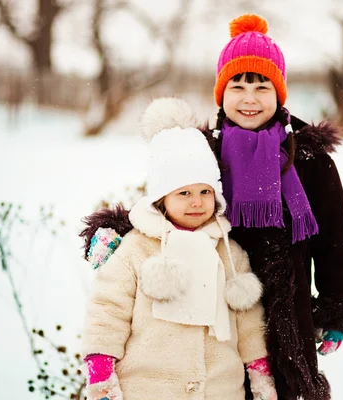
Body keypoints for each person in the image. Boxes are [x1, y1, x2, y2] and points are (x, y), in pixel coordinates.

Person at [81, 14, 343, 400]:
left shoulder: (309, 159)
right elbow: (167, 201)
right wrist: (116, 230)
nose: (250, 98)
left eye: (262, 85)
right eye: (238, 85)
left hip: (284, 311)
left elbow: (335, 240)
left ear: (279, 93)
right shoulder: (201, 149)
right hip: (214, 307)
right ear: (221, 91)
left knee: (280, 389)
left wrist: (337, 307)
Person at [81, 97, 278, 400]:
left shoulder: (228, 251)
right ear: (161, 198)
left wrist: (259, 370)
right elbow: (108, 309)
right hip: (148, 390)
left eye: (204, 192)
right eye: (184, 193)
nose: (196, 202)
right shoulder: (137, 247)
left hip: (220, 390)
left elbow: (249, 319)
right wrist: (101, 374)